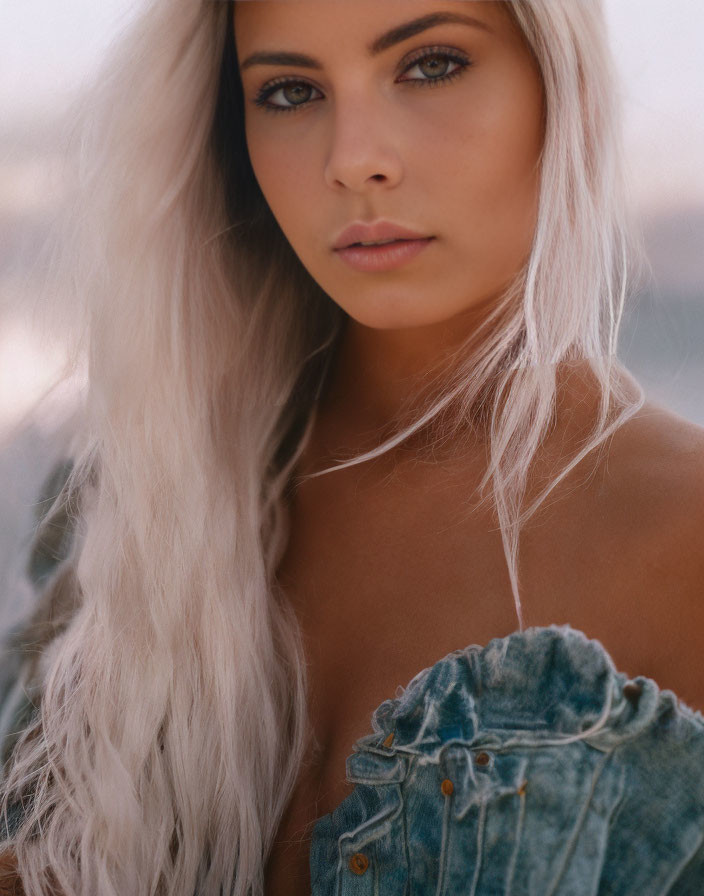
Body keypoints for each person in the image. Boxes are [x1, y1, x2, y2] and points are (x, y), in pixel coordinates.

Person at [1, 0, 703, 893]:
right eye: (291, 92)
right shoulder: (132, 512)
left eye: (431, 65)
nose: (352, 160)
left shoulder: (685, 538)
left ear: (558, 84)